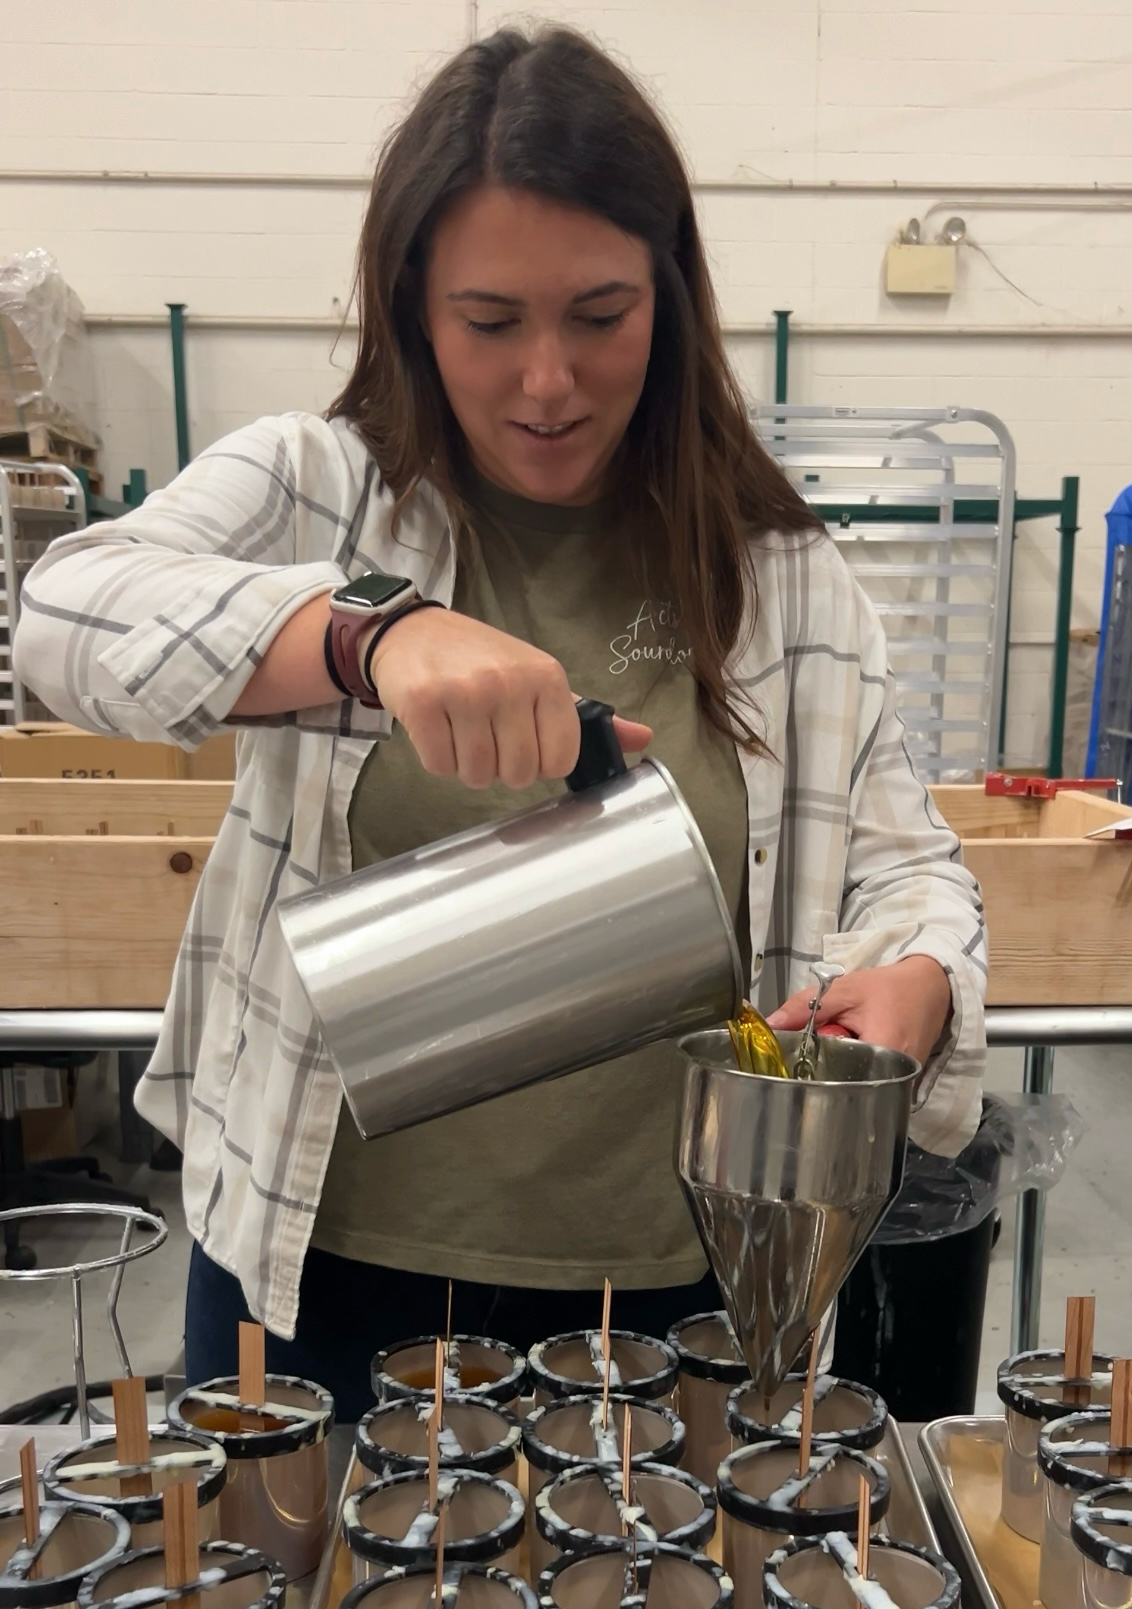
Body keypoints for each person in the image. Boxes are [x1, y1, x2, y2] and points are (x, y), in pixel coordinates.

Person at [16, 26, 987, 1420]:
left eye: (600, 316)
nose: (548, 381)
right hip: (325, 1280)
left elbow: (912, 869)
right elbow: (70, 609)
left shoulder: (780, 576)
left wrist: (918, 989)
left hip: (680, 1296)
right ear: (414, 307)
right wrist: (367, 634)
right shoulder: (319, 492)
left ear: (670, 294)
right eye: (490, 322)